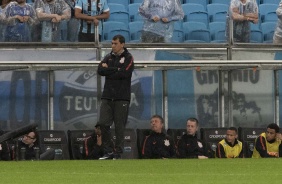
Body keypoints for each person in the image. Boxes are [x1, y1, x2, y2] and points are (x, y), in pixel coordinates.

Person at [97, 35, 134, 160]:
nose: (112, 46)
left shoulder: (128, 57)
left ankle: (117, 152)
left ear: (122, 44)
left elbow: (125, 73)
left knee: (119, 126)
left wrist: (110, 70)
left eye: (115, 43)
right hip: (107, 96)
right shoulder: (108, 56)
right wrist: (116, 69)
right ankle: (108, 150)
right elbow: (100, 70)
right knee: (103, 123)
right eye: (112, 43)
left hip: (121, 97)